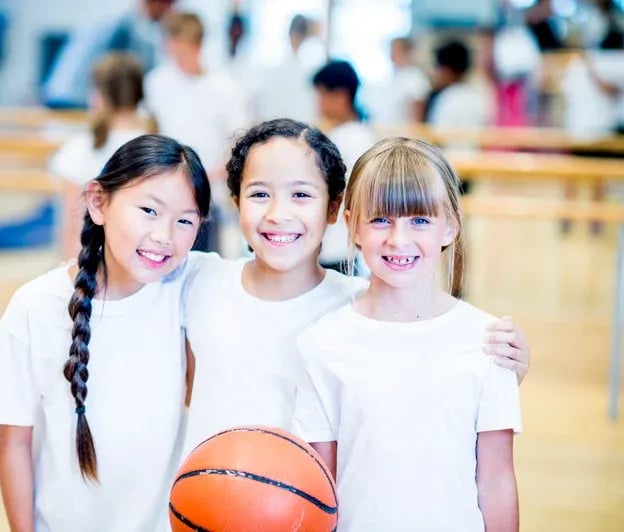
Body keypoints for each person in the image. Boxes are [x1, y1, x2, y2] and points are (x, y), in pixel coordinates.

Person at [180, 119, 531, 460]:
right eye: (259, 194)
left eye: (301, 194)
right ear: (236, 201)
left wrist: (508, 366)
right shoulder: (200, 279)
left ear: (334, 208)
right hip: (197, 507)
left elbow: (427, 377)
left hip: (309, 510)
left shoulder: (360, 307)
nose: (278, 213)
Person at [0, 135, 210, 532]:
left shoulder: (191, 284)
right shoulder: (35, 306)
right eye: (148, 210)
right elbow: (14, 444)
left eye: (185, 220)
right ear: (98, 202)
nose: (165, 235)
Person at [294, 137, 521, 531]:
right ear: (352, 226)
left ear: (450, 226)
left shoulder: (489, 340)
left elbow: (496, 480)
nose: (398, 239)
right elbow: (320, 486)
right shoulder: (321, 343)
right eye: (381, 219)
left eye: (419, 220)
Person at [144, 11, 251, 252]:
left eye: (182, 50)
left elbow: (239, 142)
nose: (177, 57)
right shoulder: (157, 83)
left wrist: (208, 175)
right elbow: (151, 131)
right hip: (165, 185)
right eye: (172, 50)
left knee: (202, 260)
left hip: (208, 192)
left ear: (198, 44)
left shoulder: (226, 88)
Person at [49, 53, 155, 259]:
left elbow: (73, 226)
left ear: (99, 97)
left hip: (95, 265)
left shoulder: (80, 150)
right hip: (149, 263)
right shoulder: (161, 147)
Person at [41, 0, 176, 109]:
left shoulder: (111, 17)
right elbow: (140, 67)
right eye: (170, 7)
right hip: (77, 98)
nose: (171, 13)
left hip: (58, 91)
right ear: (159, 3)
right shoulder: (127, 24)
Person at [312, 60, 375, 274]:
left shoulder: (347, 138)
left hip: (336, 242)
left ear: (341, 95)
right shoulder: (359, 134)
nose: (318, 103)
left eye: (321, 95)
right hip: (342, 243)